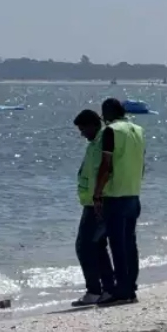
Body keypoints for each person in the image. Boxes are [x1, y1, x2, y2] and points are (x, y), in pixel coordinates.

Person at [93, 98, 146, 306]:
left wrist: (97, 193)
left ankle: (121, 290)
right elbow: (143, 161)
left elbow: (106, 165)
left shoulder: (111, 131)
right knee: (130, 243)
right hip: (133, 192)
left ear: (107, 113)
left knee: (116, 244)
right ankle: (130, 287)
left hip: (115, 194)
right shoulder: (138, 130)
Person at [71, 109, 116, 307]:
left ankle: (94, 290)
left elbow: (105, 170)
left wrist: (98, 197)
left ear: (93, 125)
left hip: (96, 203)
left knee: (84, 246)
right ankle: (107, 288)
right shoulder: (94, 143)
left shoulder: (100, 143)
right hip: (93, 202)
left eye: (83, 129)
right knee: (98, 246)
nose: (82, 133)